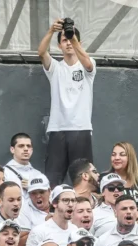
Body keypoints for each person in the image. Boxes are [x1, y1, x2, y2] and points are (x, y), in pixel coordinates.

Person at [38, 19, 95, 187]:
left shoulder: (87, 66)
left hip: (81, 128)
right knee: (52, 179)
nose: (68, 43)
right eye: (64, 40)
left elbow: (88, 63)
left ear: (78, 42)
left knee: (84, 178)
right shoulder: (55, 68)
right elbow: (41, 53)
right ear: (59, 46)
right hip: (58, 129)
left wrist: (73, 38)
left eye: (71, 39)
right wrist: (50, 31)